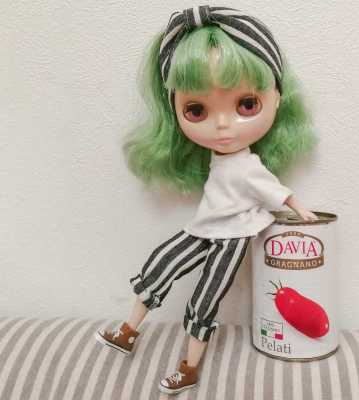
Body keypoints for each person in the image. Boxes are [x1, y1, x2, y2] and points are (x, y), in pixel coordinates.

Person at [94, 5, 318, 395]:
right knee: (160, 265)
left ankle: (189, 367)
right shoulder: (220, 157)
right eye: (196, 110)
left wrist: (300, 211)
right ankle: (128, 331)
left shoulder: (249, 166)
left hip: (232, 237)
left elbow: (275, 191)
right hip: (203, 227)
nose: (223, 124)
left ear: (278, 99)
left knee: (204, 299)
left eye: (246, 105)